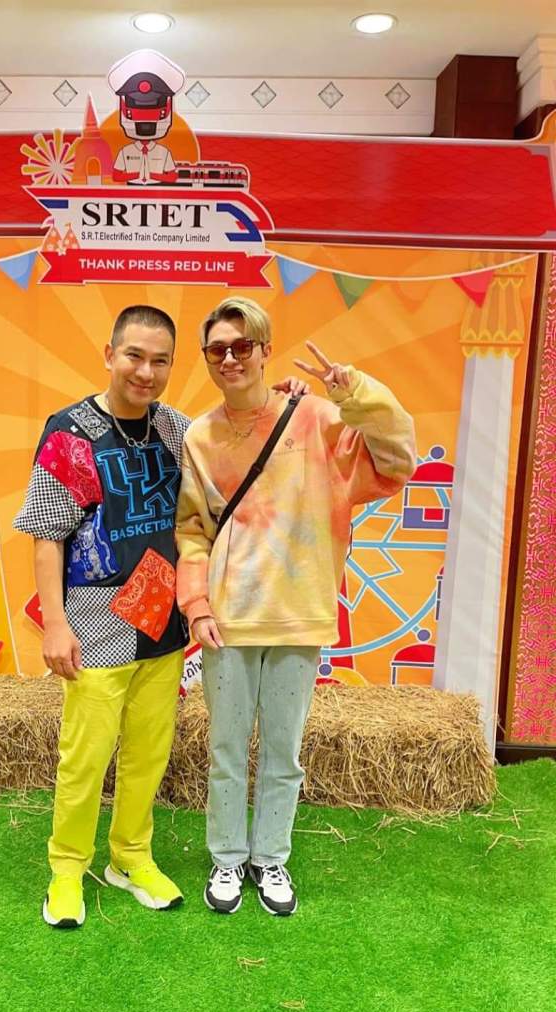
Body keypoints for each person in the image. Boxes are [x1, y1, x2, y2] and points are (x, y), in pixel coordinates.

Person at [175, 296, 416, 917]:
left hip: (299, 612)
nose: (230, 359)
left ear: (264, 349)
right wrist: (196, 603)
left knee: (283, 752)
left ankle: (270, 857)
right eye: (217, 350)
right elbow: (192, 529)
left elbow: (397, 460)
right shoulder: (199, 436)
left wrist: (353, 392)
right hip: (228, 619)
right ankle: (228, 858)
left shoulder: (315, 417)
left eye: (242, 346)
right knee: (227, 751)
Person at [14, 305, 189, 928]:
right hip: (93, 622)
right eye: (134, 355)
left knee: (149, 752)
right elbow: (47, 536)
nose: (146, 371)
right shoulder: (72, 431)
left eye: (160, 360)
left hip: (163, 621)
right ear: (109, 354)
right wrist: (55, 623)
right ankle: (67, 869)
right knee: (85, 755)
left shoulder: (176, 429)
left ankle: (131, 857)